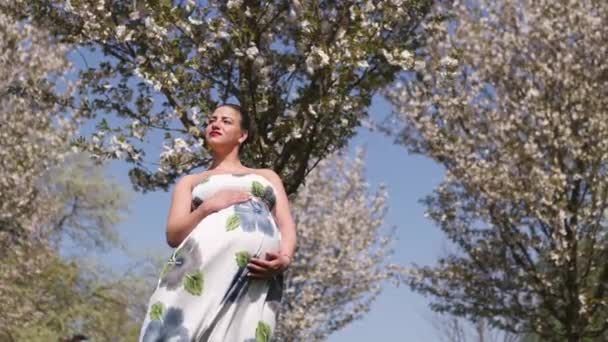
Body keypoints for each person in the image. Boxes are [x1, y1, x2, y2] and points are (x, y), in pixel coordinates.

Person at [139, 104, 296, 342]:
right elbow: (173, 234)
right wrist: (208, 206)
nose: (215, 124)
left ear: (242, 135)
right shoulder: (190, 181)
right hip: (200, 273)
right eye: (212, 120)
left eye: (226, 121)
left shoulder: (267, 176)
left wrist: (284, 259)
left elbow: (286, 226)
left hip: (252, 279)